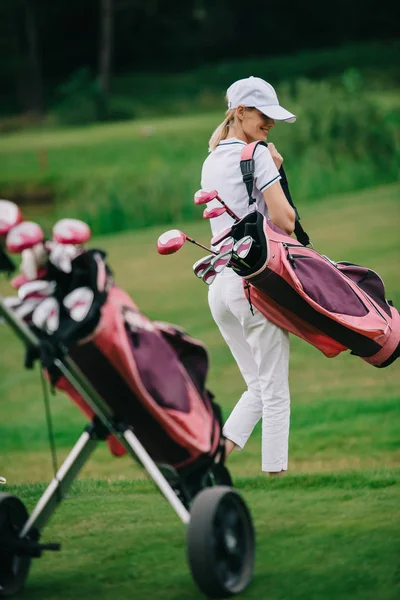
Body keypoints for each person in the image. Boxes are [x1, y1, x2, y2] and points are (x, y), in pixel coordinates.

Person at [200, 76, 296, 476]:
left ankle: (211, 461)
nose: (269, 124)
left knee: (257, 387)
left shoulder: (210, 159)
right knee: (275, 391)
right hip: (252, 283)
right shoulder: (255, 154)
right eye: (263, 115)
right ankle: (276, 476)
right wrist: (275, 170)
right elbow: (284, 221)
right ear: (240, 112)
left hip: (220, 288)